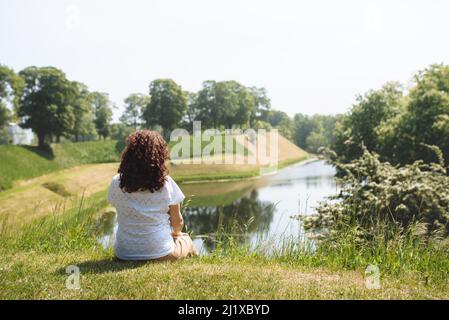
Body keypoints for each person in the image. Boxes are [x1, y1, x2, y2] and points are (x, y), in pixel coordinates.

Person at [108, 130, 197, 261]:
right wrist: (175, 235)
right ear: (160, 156)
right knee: (185, 238)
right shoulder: (166, 183)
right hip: (161, 253)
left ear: (128, 155)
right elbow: (177, 225)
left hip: (124, 254)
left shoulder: (116, 182)